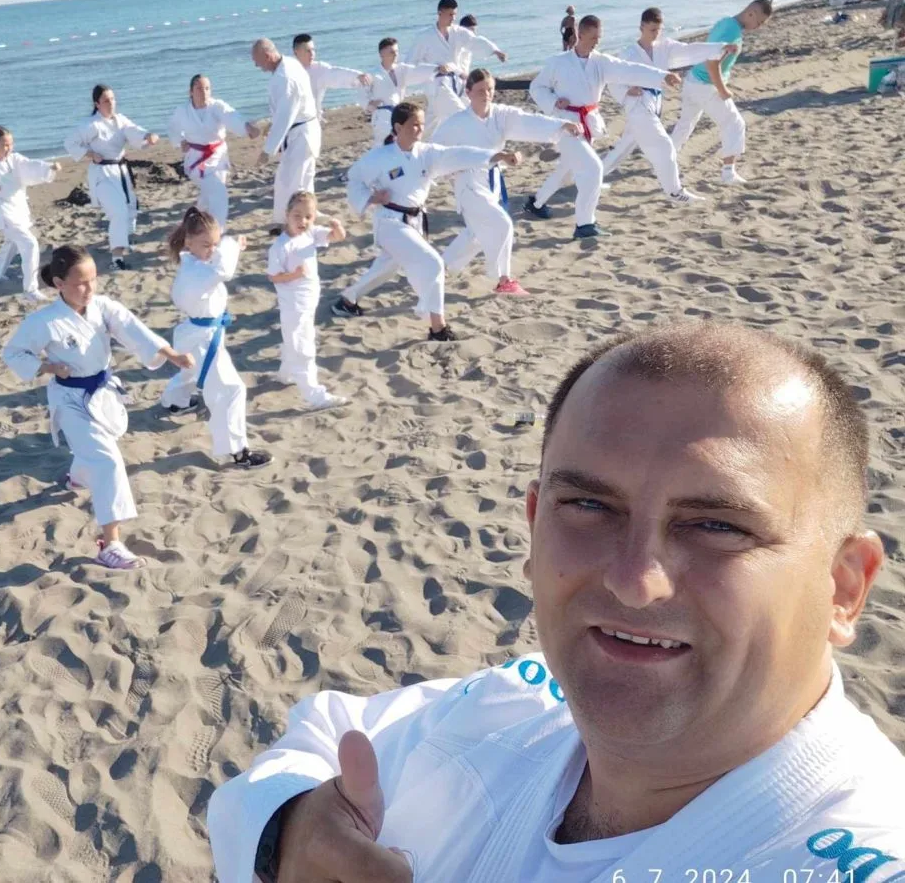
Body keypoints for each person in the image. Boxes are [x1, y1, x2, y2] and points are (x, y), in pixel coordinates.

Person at [207, 321, 905, 883]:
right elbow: (326, 735)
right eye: (590, 506)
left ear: (844, 587)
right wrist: (288, 829)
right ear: (535, 524)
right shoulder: (519, 703)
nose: (635, 580)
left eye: (717, 525)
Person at [2, 245, 193, 569]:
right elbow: (14, 353)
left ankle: (77, 477)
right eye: (80, 283)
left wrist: (171, 354)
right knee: (107, 461)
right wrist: (48, 367)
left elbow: (133, 329)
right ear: (59, 283)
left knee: (97, 449)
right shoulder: (44, 321)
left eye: (93, 280)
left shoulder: (102, 307)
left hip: (102, 392)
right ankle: (110, 544)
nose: (89, 288)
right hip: (70, 399)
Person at [337, 102, 516, 340]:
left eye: (422, 124)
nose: (420, 129)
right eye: (414, 125)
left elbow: (459, 154)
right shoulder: (379, 157)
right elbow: (354, 179)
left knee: (386, 268)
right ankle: (437, 328)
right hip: (389, 222)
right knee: (433, 263)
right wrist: (370, 198)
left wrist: (496, 156)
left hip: (415, 221)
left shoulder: (426, 152)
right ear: (398, 127)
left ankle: (347, 300)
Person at [525, 15, 680, 241]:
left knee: (567, 169)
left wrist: (662, 77)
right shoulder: (557, 62)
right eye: (593, 38)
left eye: (599, 37)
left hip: (589, 122)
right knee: (593, 168)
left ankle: (536, 203)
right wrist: (552, 102)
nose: (597, 42)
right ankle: (585, 224)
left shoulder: (601, 61)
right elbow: (536, 87)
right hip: (566, 124)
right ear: (580, 35)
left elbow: (630, 69)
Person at [434, 70, 582, 296]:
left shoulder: (501, 115)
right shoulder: (454, 124)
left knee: (476, 234)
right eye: (480, 91)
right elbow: (433, 153)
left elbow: (528, 121)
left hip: (492, 180)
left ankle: (440, 269)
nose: (486, 95)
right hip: (468, 183)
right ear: (468, 93)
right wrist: (447, 171)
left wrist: (562, 125)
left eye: (490, 89)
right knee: (502, 224)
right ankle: (504, 280)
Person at [160, 208, 272, 467]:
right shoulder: (197, 273)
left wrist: (230, 245)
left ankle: (175, 402)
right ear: (188, 242)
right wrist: (231, 243)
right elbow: (224, 271)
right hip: (202, 338)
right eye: (206, 245)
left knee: (190, 372)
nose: (212, 250)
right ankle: (237, 451)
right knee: (231, 390)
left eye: (215, 244)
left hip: (194, 333)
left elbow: (218, 265)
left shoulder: (194, 263)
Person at [602, 8, 739, 203]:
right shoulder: (628, 53)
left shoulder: (664, 46)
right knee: (664, 146)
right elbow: (612, 76)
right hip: (638, 104)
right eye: (652, 30)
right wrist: (625, 91)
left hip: (655, 102)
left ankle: (594, 177)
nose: (656, 34)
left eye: (659, 29)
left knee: (624, 146)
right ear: (641, 27)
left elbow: (690, 50)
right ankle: (675, 192)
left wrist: (721, 47)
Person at [670, 0, 773, 186]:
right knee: (734, 123)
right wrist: (722, 89)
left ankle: (665, 160)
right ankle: (728, 174)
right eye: (759, 22)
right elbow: (712, 62)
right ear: (751, 13)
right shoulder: (731, 31)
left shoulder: (726, 22)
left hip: (693, 80)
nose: (758, 27)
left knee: (685, 124)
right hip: (705, 85)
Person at [265, 192, 349, 412]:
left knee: (295, 338)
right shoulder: (280, 246)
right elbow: (273, 276)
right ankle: (315, 395)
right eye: (297, 215)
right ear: (287, 215)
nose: (302, 221)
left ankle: (286, 374)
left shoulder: (310, 233)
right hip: (294, 303)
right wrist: (293, 275)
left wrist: (337, 226)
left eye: (308, 216)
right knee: (303, 345)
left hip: (309, 299)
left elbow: (336, 237)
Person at [64, 84, 160, 271]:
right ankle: (116, 258)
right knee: (119, 212)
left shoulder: (120, 120)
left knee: (131, 208)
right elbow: (70, 142)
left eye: (113, 99)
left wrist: (148, 136)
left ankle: (124, 240)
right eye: (106, 100)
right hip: (102, 174)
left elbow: (134, 131)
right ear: (97, 104)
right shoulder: (91, 125)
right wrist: (90, 154)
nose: (111, 103)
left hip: (121, 171)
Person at [0, 126, 60, 302]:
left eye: (11, 144)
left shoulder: (16, 159)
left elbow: (31, 166)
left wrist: (49, 168)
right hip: (5, 214)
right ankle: (30, 289)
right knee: (30, 244)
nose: (9, 148)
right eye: (5, 145)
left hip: (20, 209)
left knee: (11, 243)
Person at [406, 0, 509, 136]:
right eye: (450, 14)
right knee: (464, 116)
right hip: (439, 86)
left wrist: (494, 50)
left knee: (430, 127)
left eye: (455, 14)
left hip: (458, 83)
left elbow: (474, 41)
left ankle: (414, 144)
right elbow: (410, 64)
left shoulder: (458, 32)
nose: (453, 18)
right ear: (440, 13)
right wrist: (435, 68)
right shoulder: (424, 37)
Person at [167, 75, 259, 224]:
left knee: (209, 195)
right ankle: (218, 231)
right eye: (199, 88)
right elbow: (173, 129)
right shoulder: (182, 111)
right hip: (196, 159)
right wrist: (180, 141)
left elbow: (231, 117)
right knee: (219, 194)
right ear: (190, 92)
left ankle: (195, 219)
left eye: (207, 88)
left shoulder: (217, 106)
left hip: (218, 158)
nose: (204, 92)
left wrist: (246, 127)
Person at [251, 38, 322, 229]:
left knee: (292, 181)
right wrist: (272, 124)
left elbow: (286, 115)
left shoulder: (285, 77)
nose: (256, 65)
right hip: (302, 129)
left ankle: (290, 222)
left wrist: (268, 150)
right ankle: (298, 218)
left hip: (301, 134)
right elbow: (287, 109)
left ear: (267, 56)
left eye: (257, 61)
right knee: (297, 179)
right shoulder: (290, 63)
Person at [364, 38, 439, 148]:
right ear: (381, 54)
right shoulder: (373, 74)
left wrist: (436, 69)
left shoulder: (401, 69)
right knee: (382, 144)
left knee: (400, 142)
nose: (395, 55)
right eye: (391, 52)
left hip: (398, 113)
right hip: (381, 115)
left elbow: (417, 70)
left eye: (396, 51)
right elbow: (362, 93)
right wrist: (369, 104)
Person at [292, 33, 372, 120]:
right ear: (296, 52)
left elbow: (337, 74)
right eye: (308, 51)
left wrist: (358, 76)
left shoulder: (319, 69)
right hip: (291, 122)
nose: (312, 54)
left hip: (312, 121)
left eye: (313, 50)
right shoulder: (288, 71)